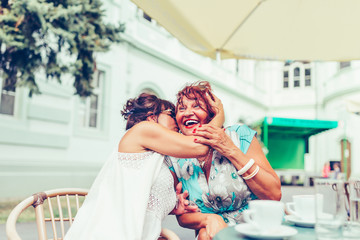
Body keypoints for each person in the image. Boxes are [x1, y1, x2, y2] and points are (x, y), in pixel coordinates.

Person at [64, 92, 224, 240]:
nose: (176, 119)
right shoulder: (142, 130)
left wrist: (172, 206)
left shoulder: (157, 158)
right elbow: (200, 147)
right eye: (171, 114)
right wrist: (219, 115)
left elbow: (136, 198)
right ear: (152, 117)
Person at [167, 81, 282, 239]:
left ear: (211, 113)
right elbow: (182, 214)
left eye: (196, 106)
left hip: (259, 231)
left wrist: (230, 149)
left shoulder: (239, 136)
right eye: (182, 108)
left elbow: (274, 194)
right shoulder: (174, 157)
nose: (187, 113)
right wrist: (210, 220)